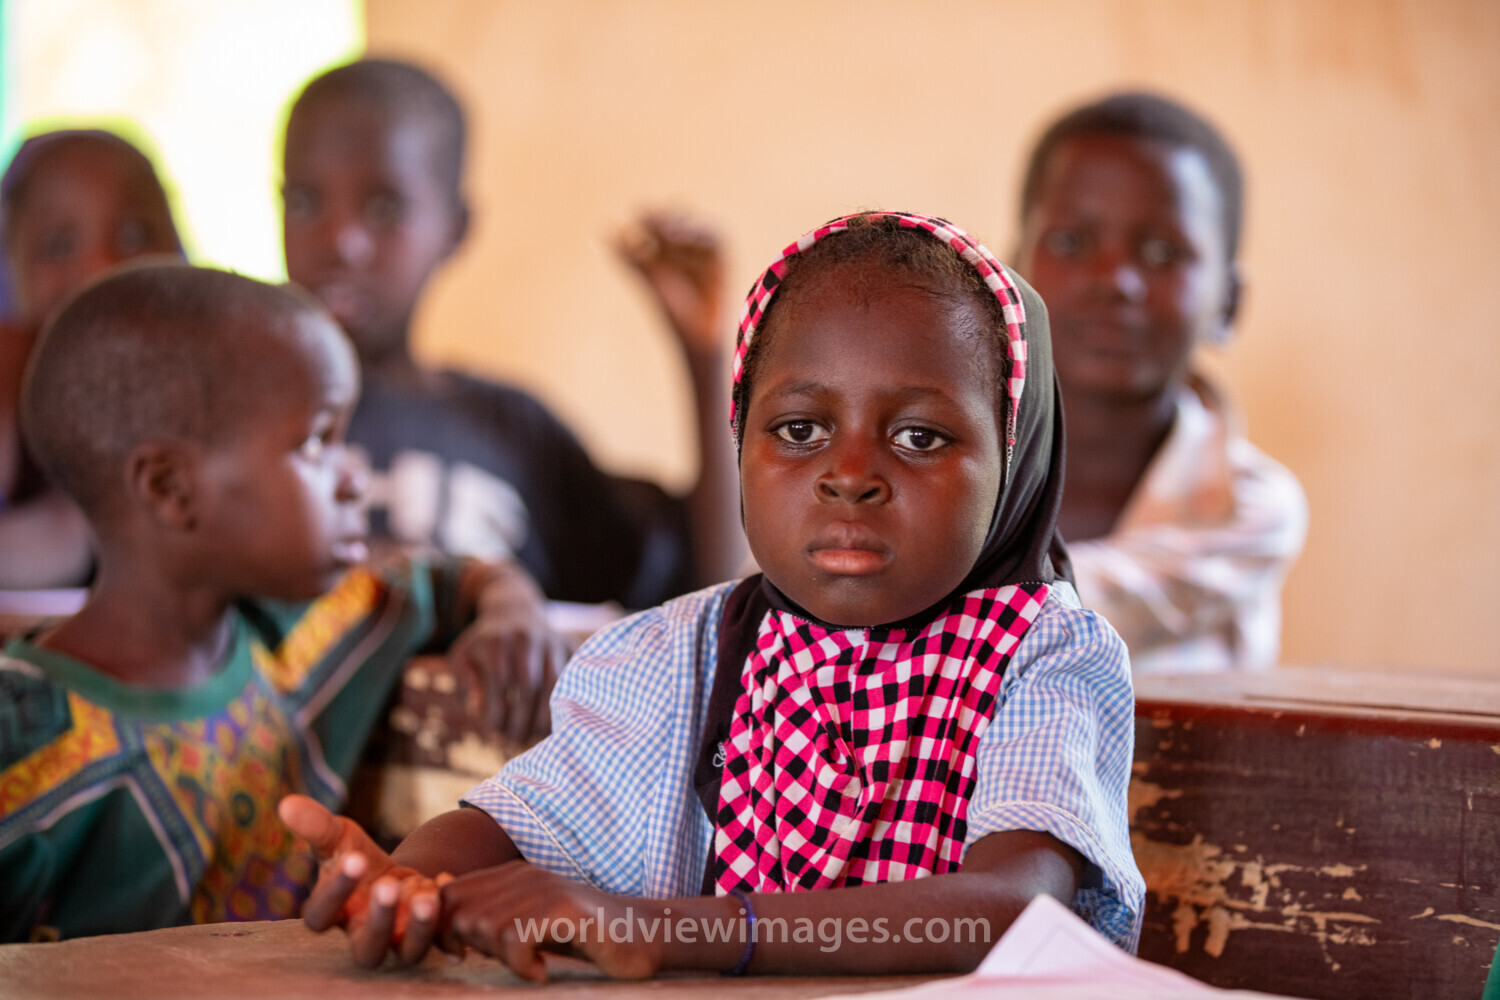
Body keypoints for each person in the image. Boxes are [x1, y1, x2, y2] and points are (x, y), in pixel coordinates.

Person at [280, 211, 1144, 979]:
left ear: (1017, 462)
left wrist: (671, 932)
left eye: (920, 436)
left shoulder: (1043, 655)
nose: (848, 477)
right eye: (798, 430)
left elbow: (1015, 907)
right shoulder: (679, 656)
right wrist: (414, 879)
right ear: (742, 439)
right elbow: (513, 823)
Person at [0, 264, 554, 942]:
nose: (355, 476)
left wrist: (512, 610)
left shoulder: (312, 633)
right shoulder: (23, 747)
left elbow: (451, 577)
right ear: (171, 488)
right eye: (318, 441)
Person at [280, 58, 742, 618]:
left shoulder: (512, 430)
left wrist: (703, 358)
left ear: (455, 228)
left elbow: (712, 601)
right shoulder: (236, 416)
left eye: (384, 208)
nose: (342, 241)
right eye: (305, 201)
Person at [1012, 91, 1307, 673]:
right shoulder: (944, 460)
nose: (1114, 280)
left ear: (1227, 303)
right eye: (1071, 242)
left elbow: (1040, 614)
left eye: (1161, 251)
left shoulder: (1251, 510)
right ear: (1009, 275)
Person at [0, 129, 185, 589]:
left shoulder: (206, 383)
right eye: (58, 246)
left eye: (133, 234)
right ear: (9, 265)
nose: (100, 266)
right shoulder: (8, 381)